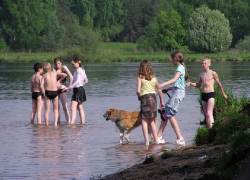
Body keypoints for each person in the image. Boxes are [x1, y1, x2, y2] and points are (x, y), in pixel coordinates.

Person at [156, 51, 190, 145]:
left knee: (170, 115)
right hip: (176, 92)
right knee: (166, 113)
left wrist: (162, 84)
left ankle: (180, 138)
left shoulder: (180, 68)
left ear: (175, 59)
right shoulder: (180, 68)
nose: (171, 60)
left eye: (171, 59)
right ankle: (159, 136)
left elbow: (174, 80)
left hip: (177, 94)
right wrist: (168, 89)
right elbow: (179, 84)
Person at [186, 56, 227, 127]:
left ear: (209, 64)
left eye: (205, 63)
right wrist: (190, 83)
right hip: (203, 95)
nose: (203, 65)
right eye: (202, 63)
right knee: (206, 115)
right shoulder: (201, 74)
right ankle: (209, 129)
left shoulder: (213, 73)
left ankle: (212, 128)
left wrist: (223, 94)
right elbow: (198, 85)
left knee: (209, 113)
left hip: (211, 94)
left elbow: (218, 84)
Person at [136, 60, 164, 146]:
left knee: (144, 121)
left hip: (144, 98)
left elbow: (138, 91)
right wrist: (161, 101)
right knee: (152, 121)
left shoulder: (140, 76)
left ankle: (147, 142)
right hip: (153, 98)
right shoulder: (154, 77)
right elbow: (159, 91)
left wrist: (139, 97)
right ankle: (156, 140)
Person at [63, 57, 88, 124]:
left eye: (73, 64)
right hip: (81, 89)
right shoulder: (82, 69)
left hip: (77, 90)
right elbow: (86, 81)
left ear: (77, 63)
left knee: (72, 108)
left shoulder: (78, 70)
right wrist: (81, 85)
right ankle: (82, 123)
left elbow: (77, 81)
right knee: (80, 107)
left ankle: (72, 123)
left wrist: (69, 88)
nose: (72, 66)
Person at [53, 57, 73, 124]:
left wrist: (69, 87)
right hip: (55, 89)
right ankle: (58, 122)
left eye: (58, 63)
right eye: (56, 64)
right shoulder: (54, 69)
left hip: (62, 88)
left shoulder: (64, 67)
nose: (57, 65)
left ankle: (69, 122)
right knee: (56, 107)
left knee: (65, 106)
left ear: (61, 63)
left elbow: (71, 76)